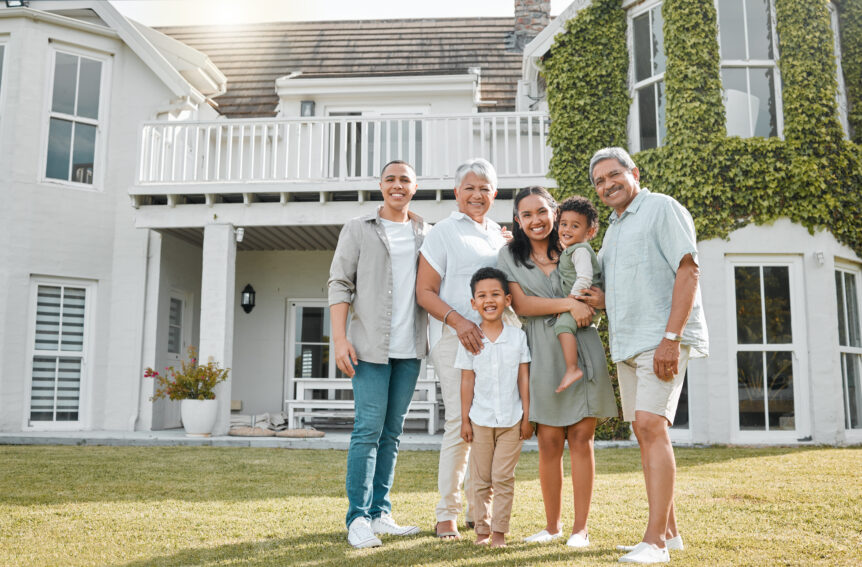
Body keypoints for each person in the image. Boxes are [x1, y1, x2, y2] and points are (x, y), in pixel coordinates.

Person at [579, 147, 708, 564]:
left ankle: (653, 543)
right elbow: (616, 290)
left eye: (614, 175)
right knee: (644, 430)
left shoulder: (662, 209)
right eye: (599, 181)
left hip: (660, 339)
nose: (607, 185)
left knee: (652, 425)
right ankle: (668, 534)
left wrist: (672, 337)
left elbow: (688, 270)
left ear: (633, 172)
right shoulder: (614, 229)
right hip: (628, 342)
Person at [496, 186, 618, 549]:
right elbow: (521, 305)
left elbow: (598, 293)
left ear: (554, 212)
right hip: (541, 353)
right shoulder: (509, 256)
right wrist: (570, 304)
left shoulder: (574, 246)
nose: (536, 220)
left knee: (582, 439)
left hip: (581, 346)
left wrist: (595, 303)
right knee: (548, 441)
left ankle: (580, 529)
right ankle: (552, 526)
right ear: (517, 221)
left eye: (541, 212)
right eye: (526, 215)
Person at [328, 160, 429, 549]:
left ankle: (380, 513)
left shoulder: (427, 233)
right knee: (367, 431)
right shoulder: (358, 229)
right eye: (391, 179)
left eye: (405, 179)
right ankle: (357, 518)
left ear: (415, 187)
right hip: (368, 349)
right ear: (380, 186)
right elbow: (339, 283)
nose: (397, 185)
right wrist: (340, 339)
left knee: (392, 433)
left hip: (409, 351)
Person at [416, 158, 510, 540]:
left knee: (487, 422)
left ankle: (477, 509)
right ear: (456, 193)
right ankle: (445, 513)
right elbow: (424, 291)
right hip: (455, 337)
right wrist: (459, 321)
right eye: (469, 187)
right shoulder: (442, 233)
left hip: (494, 341)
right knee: (461, 422)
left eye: (484, 188)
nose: (476, 194)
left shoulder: (498, 236)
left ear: (494, 194)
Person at [456, 267, 533, 548]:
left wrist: (527, 415)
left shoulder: (518, 337)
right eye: (482, 296)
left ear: (507, 300)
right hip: (480, 420)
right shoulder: (469, 340)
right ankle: (481, 531)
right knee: (480, 479)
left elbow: (523, 377)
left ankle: (499, 532)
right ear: (474, 303)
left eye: (496, 294)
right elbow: (467, 382)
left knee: (503, 477)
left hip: (512, 420)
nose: (489, 300)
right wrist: (465, 420)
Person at [553, 196, 603, 393]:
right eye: (563, 224)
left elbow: (584, 278)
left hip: (583, 301)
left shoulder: (580, 251)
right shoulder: (570, 250)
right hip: (579, 301)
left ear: (589, 232)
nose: (566, 229)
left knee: (563, 326)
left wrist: (570, 302)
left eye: (575, 226)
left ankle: (572, 369)